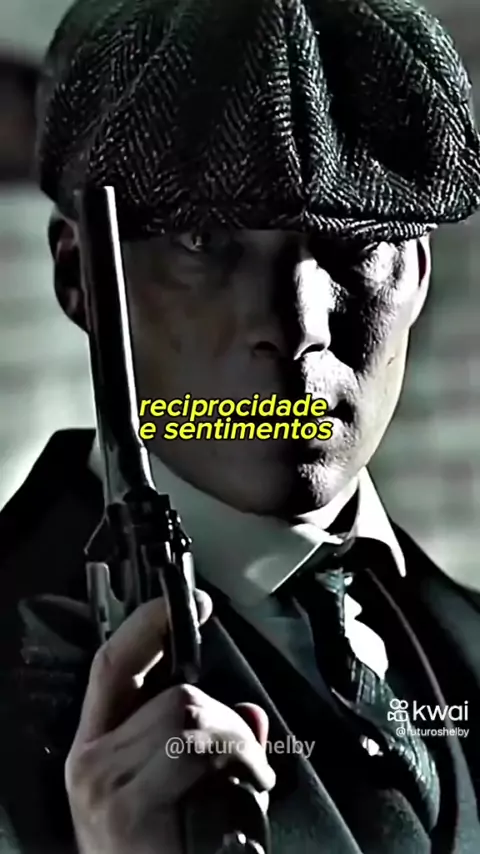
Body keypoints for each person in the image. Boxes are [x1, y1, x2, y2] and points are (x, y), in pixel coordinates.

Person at [1, 0, 480, 852]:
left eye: (352, 243)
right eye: (203, 242)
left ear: (415, 269)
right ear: (82, 280)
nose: (297, 328)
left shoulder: (465, 635)